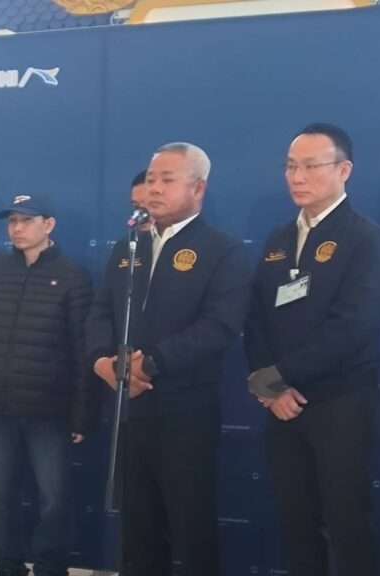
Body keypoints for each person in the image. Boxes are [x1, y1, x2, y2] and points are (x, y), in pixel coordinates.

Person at [85, 142, 250, 576]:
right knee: (137, 527)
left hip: (186, 411)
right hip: (130, 410)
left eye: (167, 180)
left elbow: (220, 326)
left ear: (199, 188)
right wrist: (102, 360)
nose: (154, 188)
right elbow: (100, 312)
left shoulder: (223, 250)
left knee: (191, 525)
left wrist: (152, 362)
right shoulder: (128, 248)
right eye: (151, 179)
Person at [245, 123, 380, 576]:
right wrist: (268, 385)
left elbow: (354, 327)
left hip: (340, 403)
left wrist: (279, 376)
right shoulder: (278, 240)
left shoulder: (366, 239)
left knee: (347, 523)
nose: (297, 177)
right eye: (290, 166)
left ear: (344, 170)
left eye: (310, 166)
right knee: (296, 521)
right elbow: (256, 318)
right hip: (282, 406)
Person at [0, 194, 93, 576]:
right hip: (0, 410)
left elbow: (82, 351)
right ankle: (9, 565)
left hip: (48, 412)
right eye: (12, 221)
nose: (17, 229)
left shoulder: (72, 276)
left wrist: (82, 415)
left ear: (48, 225)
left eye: (26, 221)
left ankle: (51, 567)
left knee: (53, 499)